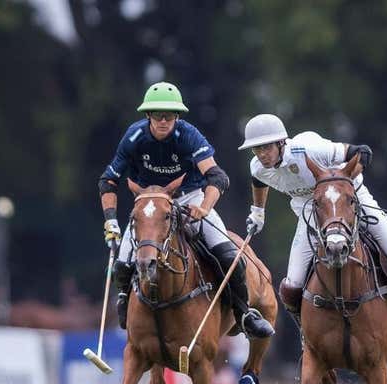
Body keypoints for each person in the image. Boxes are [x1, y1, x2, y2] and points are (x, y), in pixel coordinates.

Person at [237, 114, 387, 344]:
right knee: (291, 287)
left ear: (281, 142)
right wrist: (258, 212)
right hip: (313, 214)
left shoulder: (309, 149)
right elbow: (259, 181)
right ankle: (308, 335)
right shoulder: (258, 167)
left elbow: (362, 152)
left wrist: (344, 183)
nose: (261, 154)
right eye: (256, 149)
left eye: (266, 147)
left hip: (352, 200)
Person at [98, 82, 274, 338]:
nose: (163, 120)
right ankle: (125, 308)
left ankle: (243, 313)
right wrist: (111, 221)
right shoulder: (134, 137)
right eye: (157, 114)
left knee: (229, 255)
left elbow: (217, 177)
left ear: (177, 116)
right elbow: (108, 180)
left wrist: (204, 208)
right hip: (151, 207)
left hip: (189, 200)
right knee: (123, 264)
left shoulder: (188, 135)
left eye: (169, 115)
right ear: (148, 115)